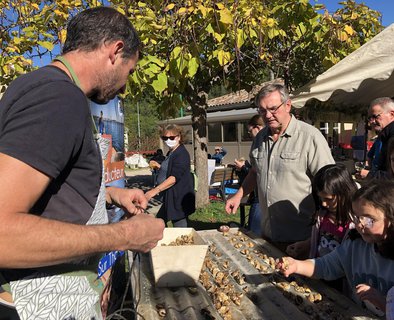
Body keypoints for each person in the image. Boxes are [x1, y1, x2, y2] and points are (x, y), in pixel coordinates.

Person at [0, 7, 164, 319]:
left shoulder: (36, 87)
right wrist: (126, 235)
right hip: (36, 305)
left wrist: (112, 195)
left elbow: (48, 189)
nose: (126, 87)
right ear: (115, 51)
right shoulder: (58, 98)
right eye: (130, 71)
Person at [225, 83, 334, 251]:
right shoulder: (260, 138)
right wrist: (239, 195)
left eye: (273, 109)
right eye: (262, 110)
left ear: (288, 105)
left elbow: (330, 183)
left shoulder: (310, 137)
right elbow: (255, 171)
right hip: (267, 235)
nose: (267, 115)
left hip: (301, 239)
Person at [276, 180, 394, 317]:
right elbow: (326, 265)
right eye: (356, 217)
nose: (360, 225)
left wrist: (384, 303)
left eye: (369, 220)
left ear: (390, 218)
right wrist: (296, 265)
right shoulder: (355, 244)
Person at [286, 163, 357, 260]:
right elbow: (322, 239)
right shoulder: (322, 215)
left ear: (344, 193)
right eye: (320, 198)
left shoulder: (355, 224)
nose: (323, 204)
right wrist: (307, 244)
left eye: (329, 199)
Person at [145, 124, 195, 227]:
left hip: (178, 198)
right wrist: (159, 166)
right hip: (169, 197)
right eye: (165, 138)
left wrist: (154, 191)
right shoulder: (171, 152)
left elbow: (174, 177)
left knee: (178, 226)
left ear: (179, 137)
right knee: (159, 223)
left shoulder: (181, 154)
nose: (168, 140)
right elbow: (170, 169)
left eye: (172, 137)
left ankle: (183, 242)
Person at [233, 114, 264, 234]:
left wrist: (243, 168)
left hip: (260, 199)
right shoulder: (256, 143)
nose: (249, 134)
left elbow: (258, 173)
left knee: (254, 233)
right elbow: (255, 171)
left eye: (250, 131)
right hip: (256, 195)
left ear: (258, 127)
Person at [368, 97, 394, 173]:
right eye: (370, 118)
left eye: (375, 116)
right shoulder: (384, 135)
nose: (372, 121)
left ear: (391, 114)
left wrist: (370, 175)